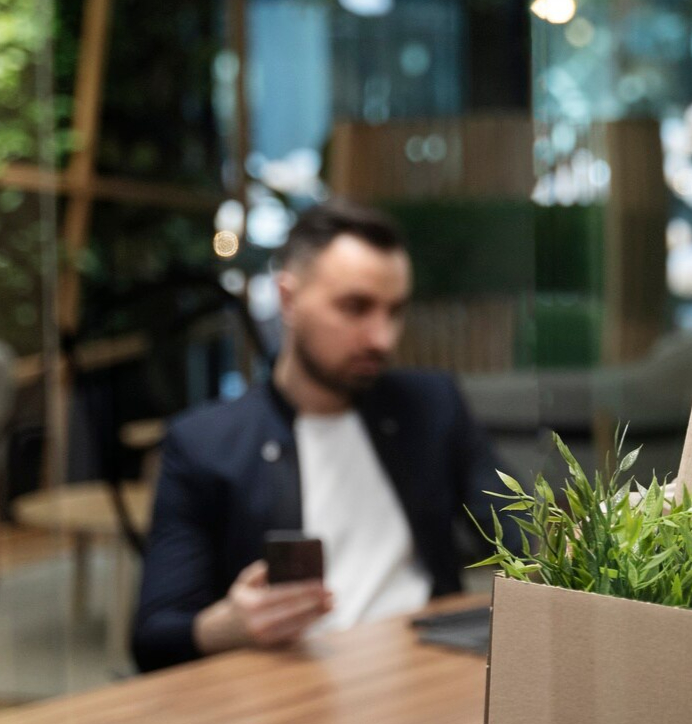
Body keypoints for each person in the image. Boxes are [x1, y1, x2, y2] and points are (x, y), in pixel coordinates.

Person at [131, 200, 510, 673]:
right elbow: (153, 638)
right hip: (288, 692)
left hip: (427, 672)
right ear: (288, 300)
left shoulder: (430, 406)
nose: (382, 339)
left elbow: (516, 531)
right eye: (356, 307)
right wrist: (229, 625)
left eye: (395, 311)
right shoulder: (207, 444)